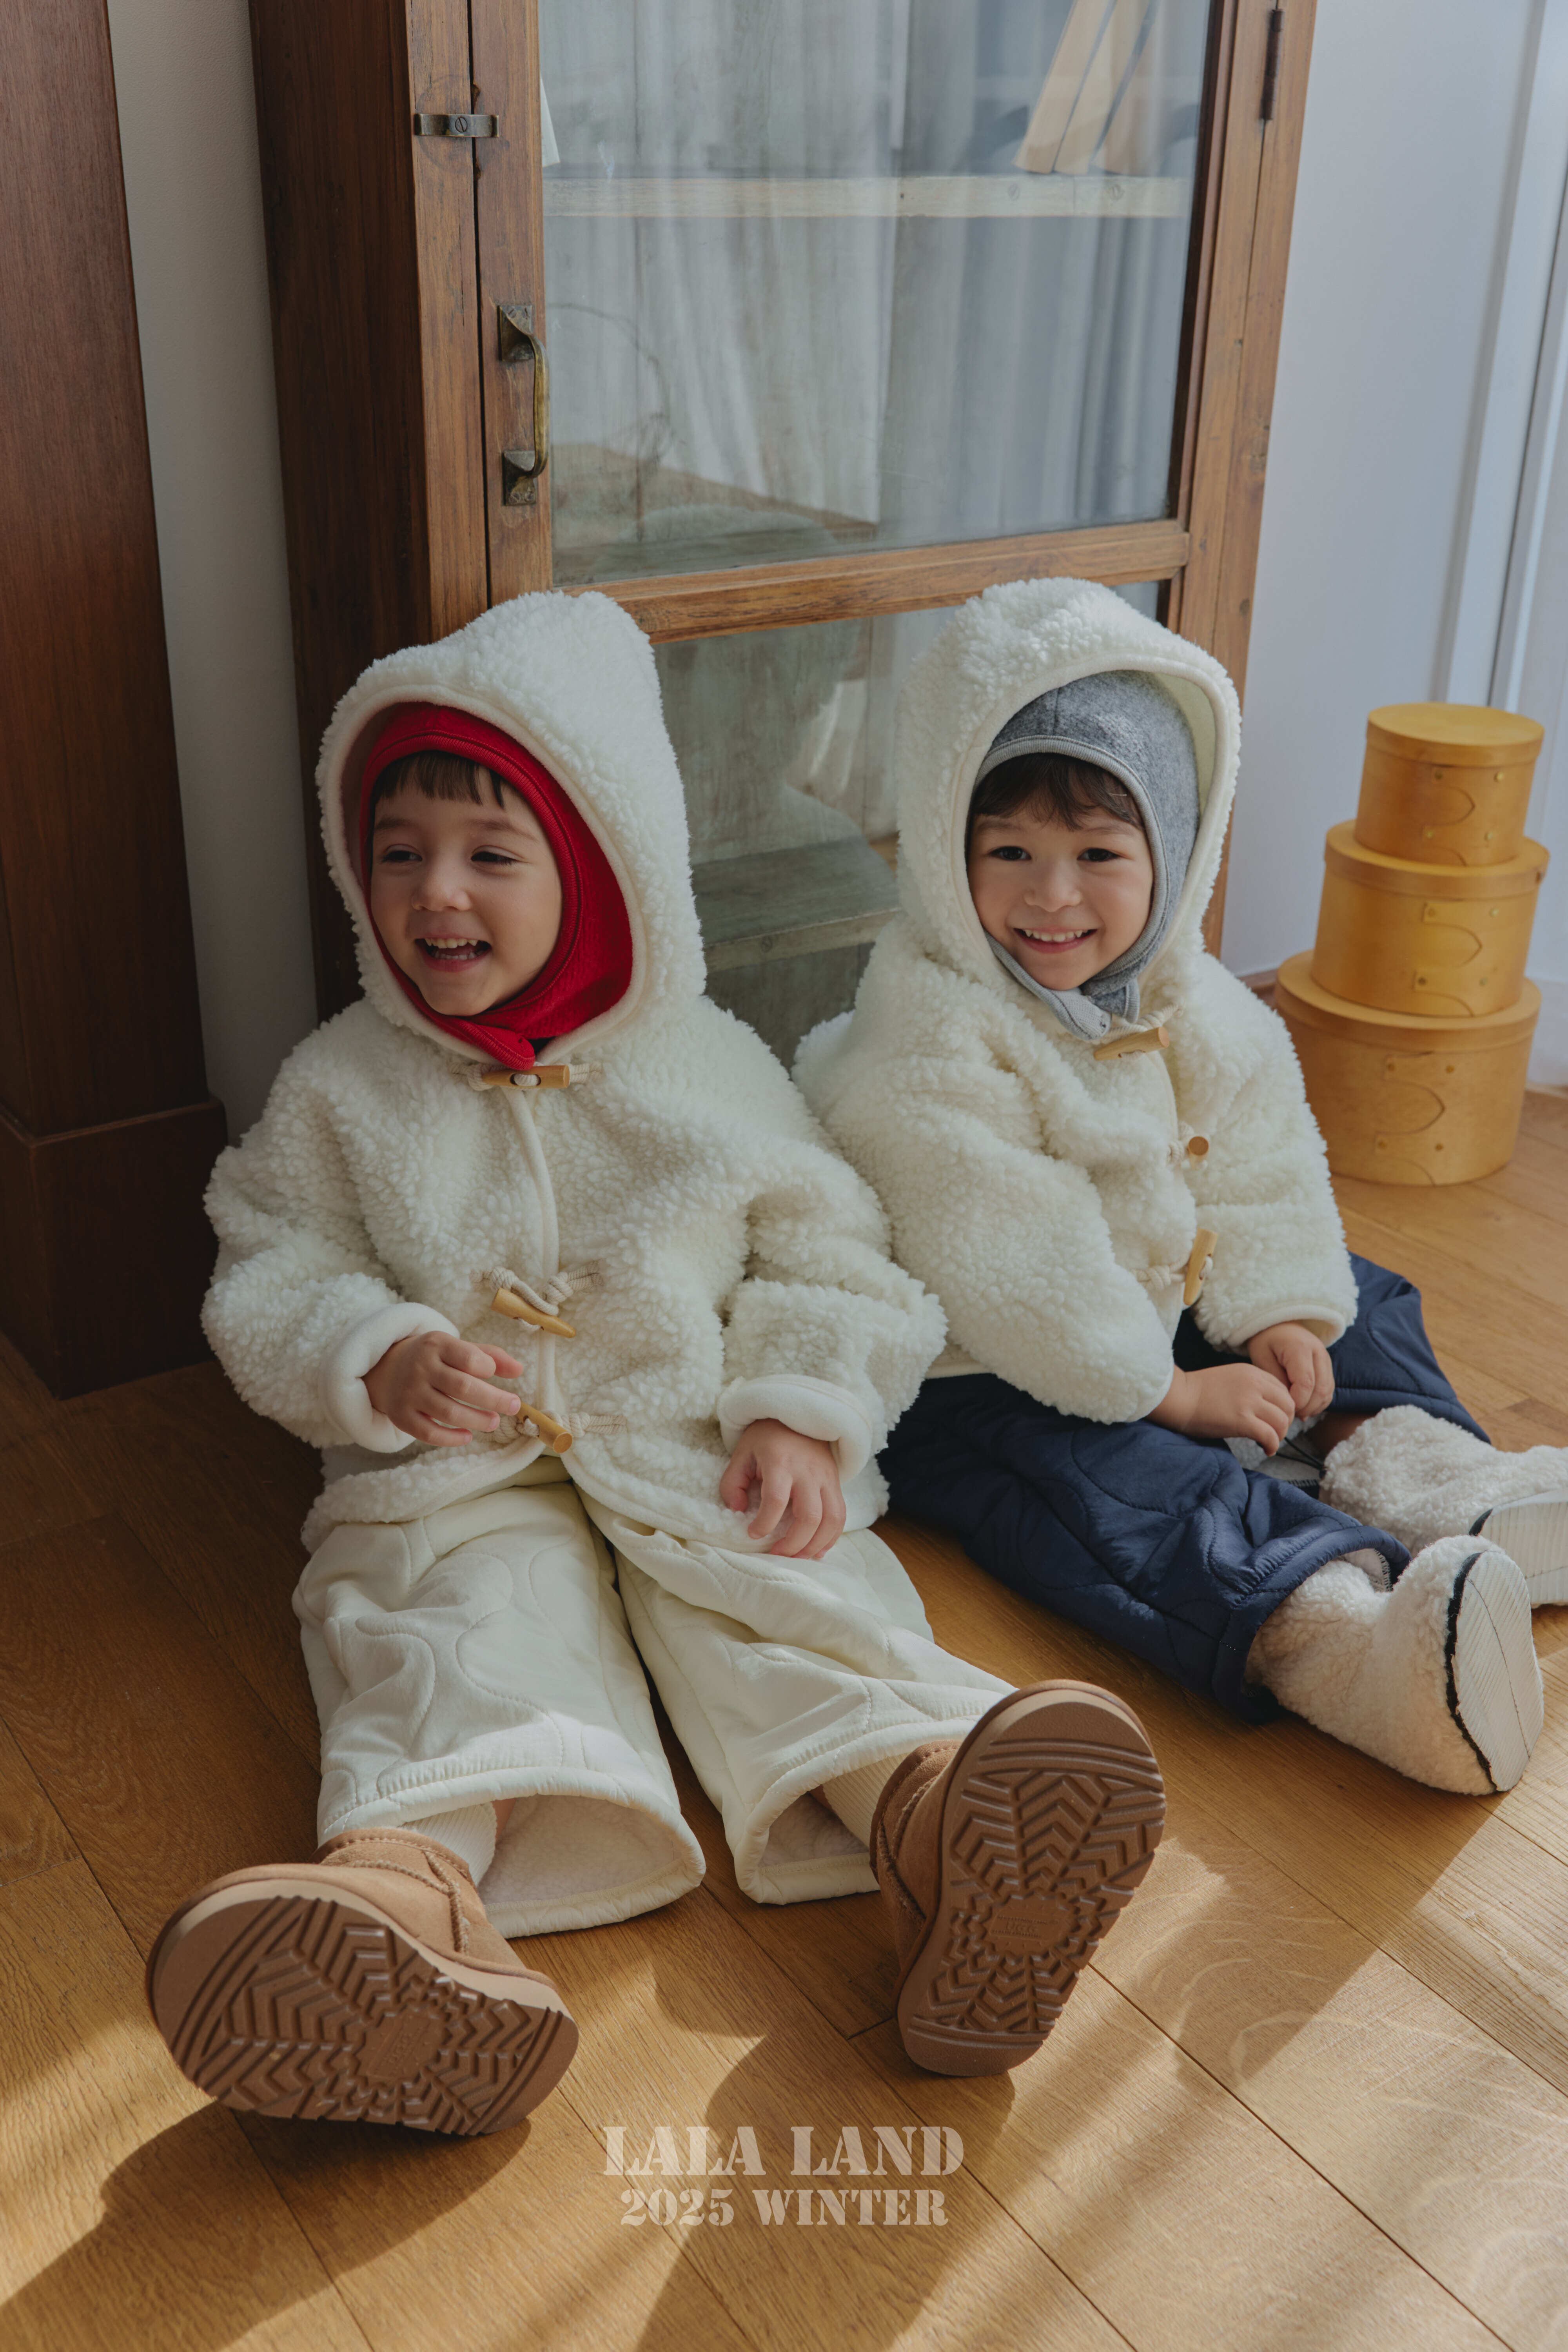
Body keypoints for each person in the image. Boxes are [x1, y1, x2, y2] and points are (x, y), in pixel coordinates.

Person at [144, 590, 1166, 2138]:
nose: (435, 892)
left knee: (797, 1616)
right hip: (458, 1478)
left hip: (698, 1444)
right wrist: (374, 1351)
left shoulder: (707, 1071)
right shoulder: (343, 1087)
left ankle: (941, 1826)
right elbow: (271, 1259)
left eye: (491, 856)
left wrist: (803, 1413)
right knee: (456, 1644)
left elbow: (833, 1253)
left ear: (603, 868)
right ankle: (406, 1918)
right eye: (397, 853)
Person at [798, 576, 1568, 1800]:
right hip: (986, 1362)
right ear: (948, 858)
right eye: (1009, 853)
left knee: (1357, 1294)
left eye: (1100, 855)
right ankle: (1342, 1637)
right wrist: (1171, 1394)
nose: (1052, 896)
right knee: (1111, 1487)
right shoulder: (925, 1038)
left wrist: (1279, 1314)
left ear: (1176, 854)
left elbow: (1262, 1163)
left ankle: (1424, 1472)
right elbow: (1012, 1259)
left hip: (1141, 1288)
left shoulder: (1186, 995)